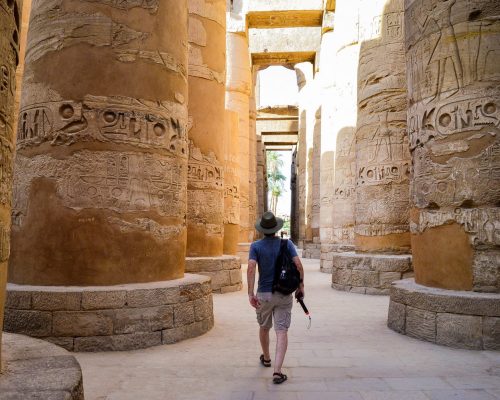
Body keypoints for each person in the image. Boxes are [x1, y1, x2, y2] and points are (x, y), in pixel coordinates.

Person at [247, 211, 305, 384]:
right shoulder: (286, 244)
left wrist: (250, 293)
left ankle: (266, 358)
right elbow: (299, 265)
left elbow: (250, 268)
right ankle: (277, 372)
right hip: (284, 293)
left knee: (264, 327)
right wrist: (300, 287)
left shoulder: (255, 246)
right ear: (276, 228)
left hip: (264, 294)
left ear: (262, 229)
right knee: (281, 331)